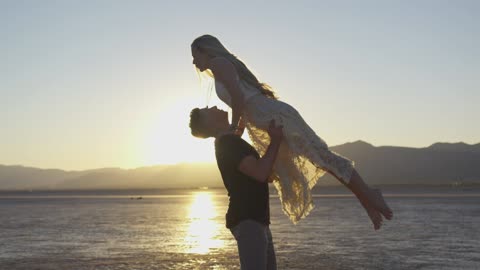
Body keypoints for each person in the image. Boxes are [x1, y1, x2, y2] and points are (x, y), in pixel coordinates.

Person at [190, 34, 393, 230]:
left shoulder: (217, 63)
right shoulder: (220, 67)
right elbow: (241, 102)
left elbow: (238, 98)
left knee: (322, 157)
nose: (193, 61)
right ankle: (368, 201)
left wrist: (234, 129)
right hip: (264, 121)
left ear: (203, 50)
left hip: (274, 117)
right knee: (318, 160)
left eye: (194, 55)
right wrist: (237, 132)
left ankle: (369, 196)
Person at [189, 106, 282, 270]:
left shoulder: (227, 142)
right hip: (248, 219)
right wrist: (275, 140)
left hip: (256, 218)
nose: (214, 107)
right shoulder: (228, 144)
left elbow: (261, 174)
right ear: (210, 123)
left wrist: (242, 121)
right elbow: (260, 173)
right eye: (208, 109)